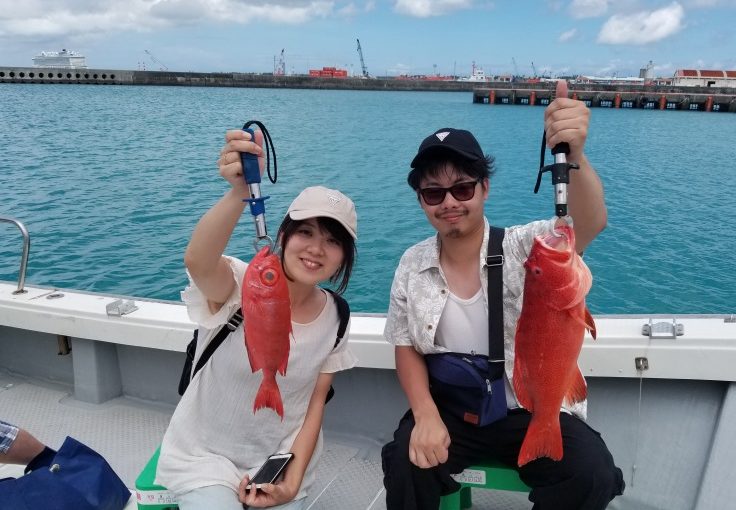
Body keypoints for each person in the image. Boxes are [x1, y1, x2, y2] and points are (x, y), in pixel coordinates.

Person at [381, 87, 625, 510]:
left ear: (484, 188)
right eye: (434, 193)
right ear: (421, 200)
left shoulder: (525, 246)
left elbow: (588, 222)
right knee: (404, 463)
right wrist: (424, 414)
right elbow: (405, 345)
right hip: (451, 411)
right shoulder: (411, 263)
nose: (450, 202)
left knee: (592, 473)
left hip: (528, 409)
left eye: (462, 188)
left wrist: (576, 155)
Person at [156, 129, 358, 510]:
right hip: (204, 459)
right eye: (305, 232)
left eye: (333, 241)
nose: (316, 248)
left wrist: (292, 482)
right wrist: (238, 192)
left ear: (344, 258)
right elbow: (198, 261)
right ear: (282, 235)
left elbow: (315, 405)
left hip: (278, 463)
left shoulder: (337, 318)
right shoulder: (238, 284)